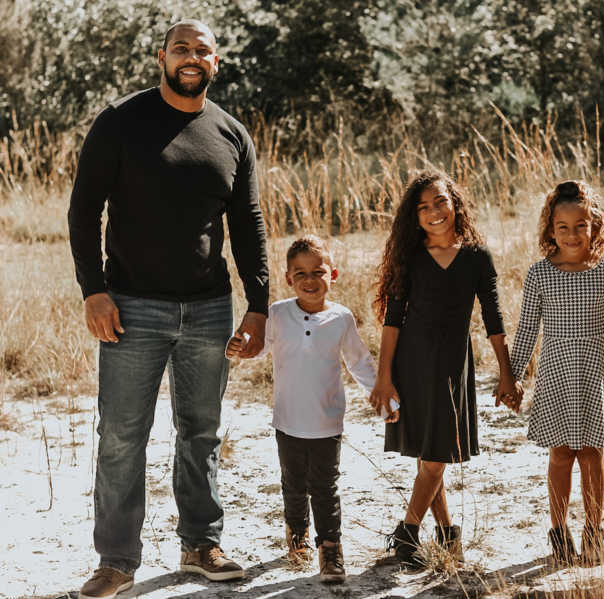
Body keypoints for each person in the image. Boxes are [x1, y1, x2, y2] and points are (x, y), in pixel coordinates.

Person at [68, 19, 269, 599]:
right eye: (181, 48)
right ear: (161, 56)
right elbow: (84, 214)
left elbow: (248, 224)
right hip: (131, 307)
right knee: (123, 437)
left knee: (201, 432)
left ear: (216, 61)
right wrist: (94, 290)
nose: (191, 57)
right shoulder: (120, 122)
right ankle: (116, 562)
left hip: (209, 309)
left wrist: (258, 304)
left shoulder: (231, 134)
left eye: (201, 49)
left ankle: (201, 544)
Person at [368, 170, 522, 568]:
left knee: (435, 455)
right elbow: (392, 321)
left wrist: (507, 373)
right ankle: (428, 535)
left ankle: (418, 533)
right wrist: (383, 377)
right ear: (414, 218)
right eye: (423, 208)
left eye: (440, 202)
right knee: (430, 455)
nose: (434, 212)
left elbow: (494, 318)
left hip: (454, 366)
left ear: (455, 202)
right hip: (412, 364)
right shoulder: (412, 259)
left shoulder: (476, 257)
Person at [509, 181, 604, 566]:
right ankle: (559, 532)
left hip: (595, 369)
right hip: (556, 370)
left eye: (581, 225)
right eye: (563, 226)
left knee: (593, 453)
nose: (572, 235)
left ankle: (594, 531)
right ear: (550, 230)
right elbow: (526, 331)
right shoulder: (540, 274)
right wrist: (512, 376)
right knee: (560, 453)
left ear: (595, 226)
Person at [226, 234, 376, 584]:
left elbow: (360, 364)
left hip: (327, 422)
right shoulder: (277, 314)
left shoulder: (341, 318)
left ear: (333, 274)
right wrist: (240, 345)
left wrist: (384, 398)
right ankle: (298, 537)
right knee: (293, 485)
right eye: (300, 273)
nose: (310, 280)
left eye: (318, 272)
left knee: (325, 487)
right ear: (288, 278)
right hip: (288, 420)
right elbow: (257, 348)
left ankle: (331, 549)